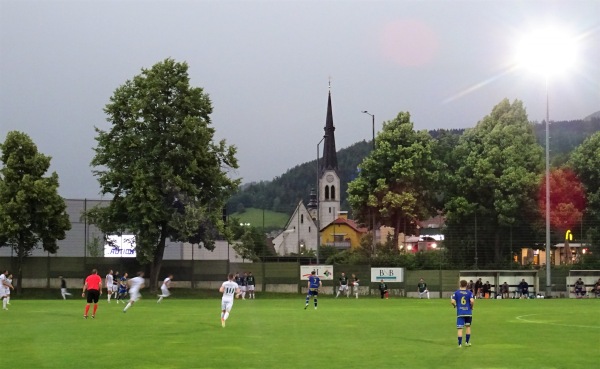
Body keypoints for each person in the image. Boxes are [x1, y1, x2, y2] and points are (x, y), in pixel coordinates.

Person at [451, 279, 475, 348]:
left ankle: (460, 344)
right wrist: (471, 307)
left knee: (460, 328)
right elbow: (472, 301)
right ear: (466, 285)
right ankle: (467, 342)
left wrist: (455, 306)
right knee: (468, 327)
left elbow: (452, 301)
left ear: (460, 285)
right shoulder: (469, 292)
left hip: (460, 313)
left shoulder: (456, 292)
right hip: (468, 312)